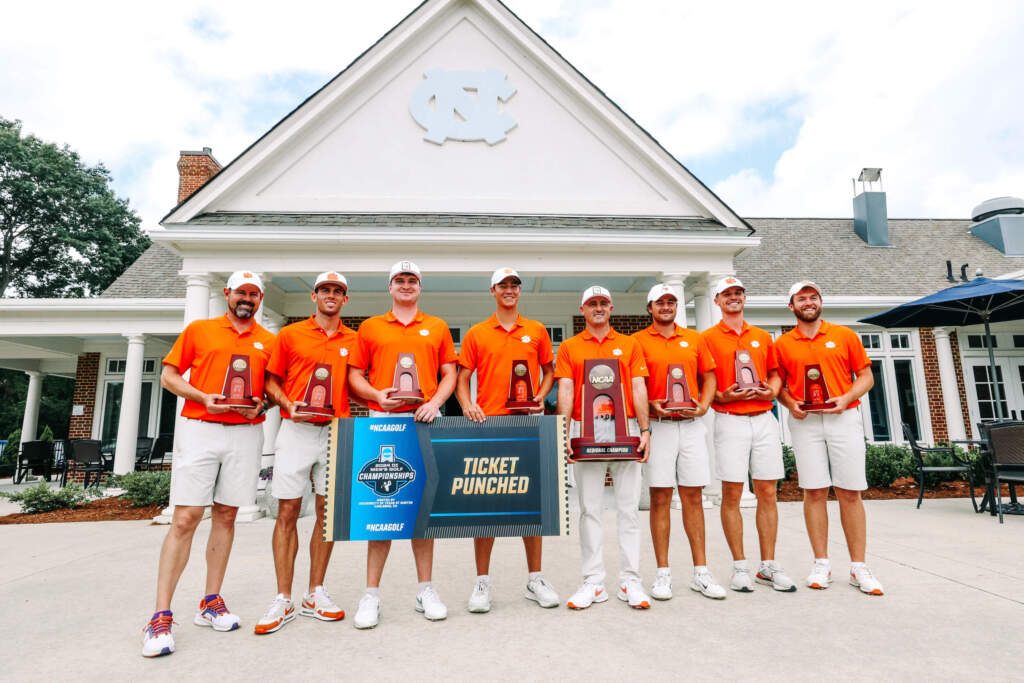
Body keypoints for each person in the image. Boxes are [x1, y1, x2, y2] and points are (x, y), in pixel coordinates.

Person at [142, 270, 275, 657]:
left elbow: (271, 390)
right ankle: (160, 615)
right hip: (201, 428)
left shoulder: (269, 341)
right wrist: (203, 397)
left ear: (261, 298)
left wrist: (263, 405)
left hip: (246, 433)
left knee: (228, 516)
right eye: (240, 292)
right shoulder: (199, 330)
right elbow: (169, 376)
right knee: (185, 518)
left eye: (253, 293)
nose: (246, 299)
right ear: (227, 293)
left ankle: (210, 601)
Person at [347, 261, 458, 628]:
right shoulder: (370, 327)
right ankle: (371, 595)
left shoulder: (437, 326)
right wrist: (376, 395)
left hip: (424, 420)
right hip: (383, 420)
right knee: (381, 507)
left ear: (420, 287)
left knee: (423, 509)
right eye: (400, 280)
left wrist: (435, 403)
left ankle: (425, 589)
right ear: (390, 287)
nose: (406, 285)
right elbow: (355, 375)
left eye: (412, 280)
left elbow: (450, 373)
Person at [254, 272, 358, 634]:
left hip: (336, 430)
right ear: (314, 296)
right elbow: (271, 381)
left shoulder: (354, 340)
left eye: (337, 291)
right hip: (296, 429)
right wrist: (287, 404)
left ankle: (316, 592)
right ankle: (283, 598)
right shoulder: (290, 334)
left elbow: (357, 384)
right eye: (325, 290)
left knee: (327, 514)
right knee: (288, 510)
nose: (331, 295)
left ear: (345, 299)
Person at [456, 267, 559, 612]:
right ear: (493, 290)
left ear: (519, 290)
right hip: (490, 425)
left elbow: (549, 371)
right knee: (486, 507)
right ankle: (482, 581)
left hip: (527, 423)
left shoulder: (537, 330)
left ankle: (535, 579)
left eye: (515, 284)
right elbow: (462, 377)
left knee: (531, 505)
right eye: (503, 285)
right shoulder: (477, 333)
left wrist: (540, 396)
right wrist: (467, 404)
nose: (509, 289)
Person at [774, 280, 883, 595]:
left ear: (820, 302)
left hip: (843, 418)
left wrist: (846, 398)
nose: (808, 302)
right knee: (814, 491)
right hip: (805, 422)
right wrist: (790, 403)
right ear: (791, 306)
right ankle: (821, 563)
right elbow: (779, 385)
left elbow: (866, 376)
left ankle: (859, 567)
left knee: (850, 492)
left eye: (813, 297)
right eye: (801, 299)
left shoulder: (844, 335)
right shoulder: (782, 344)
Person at [556, 286, 652, 610]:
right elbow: (566, 389)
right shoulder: (569, 346)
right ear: (582, 309)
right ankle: (593, 582)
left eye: (603, 303)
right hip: (585, 430)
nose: (598, 308)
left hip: (626, 429)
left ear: (611, 308)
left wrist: (645, 430)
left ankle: (630, 581)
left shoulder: (630, 344)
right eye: (592, 304)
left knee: (629, 509)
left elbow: (638, 386)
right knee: (590, 509)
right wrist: (564, 433)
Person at [701, 276, 796, 595]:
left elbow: (775, 373)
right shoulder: (707, 338)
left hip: (764, 417)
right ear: (717, 300)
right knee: (732, 493)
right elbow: (704, 382)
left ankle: (767, 566)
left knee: (768, 491)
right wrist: (721, 396)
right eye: (727, 294)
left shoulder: (761, 337)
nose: (734, 297)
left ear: (744, 298)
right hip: (730, 420)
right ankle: (740, 566)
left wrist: (773, 390)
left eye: (738, 293)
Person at [632, 284, 718, 601]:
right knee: (660, 498)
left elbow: (710, 376)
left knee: (693, 497)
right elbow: (634, 384)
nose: (666, 306)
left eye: (671, 302)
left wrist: (705, 405)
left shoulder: (695, 338)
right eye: (660, 302)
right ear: (650, 307)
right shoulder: (637, 341)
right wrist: (649, 405)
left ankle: (701, 573)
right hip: (660, 426)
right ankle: (663, 574)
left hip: (691, 425)